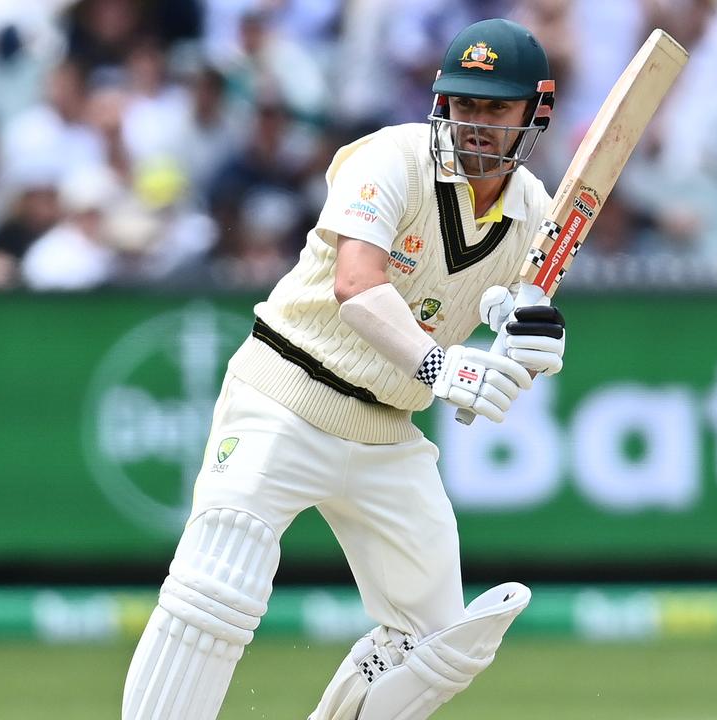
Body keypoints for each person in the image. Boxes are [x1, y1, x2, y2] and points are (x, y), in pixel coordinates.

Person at [122, 17, 569, 720]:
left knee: (443, 643)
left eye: (495, 108)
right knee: (217, 590)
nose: (475, 123)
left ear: (533, 112)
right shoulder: (390, 159)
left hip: (388, 433)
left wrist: (535, 345)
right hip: (286, 396)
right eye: (464, 104)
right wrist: (440, 365)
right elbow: (357, 286)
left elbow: (515, 314)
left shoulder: (535, 212)